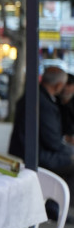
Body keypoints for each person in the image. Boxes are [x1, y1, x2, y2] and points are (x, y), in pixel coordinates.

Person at [9, 65, 74, 203]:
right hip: (34, 156)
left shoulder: (35, 95)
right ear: (58, 85)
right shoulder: (43, 103)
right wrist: (70, 151)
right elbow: (53, 141)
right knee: (71, 160)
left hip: (28, 151)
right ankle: (58, 205)